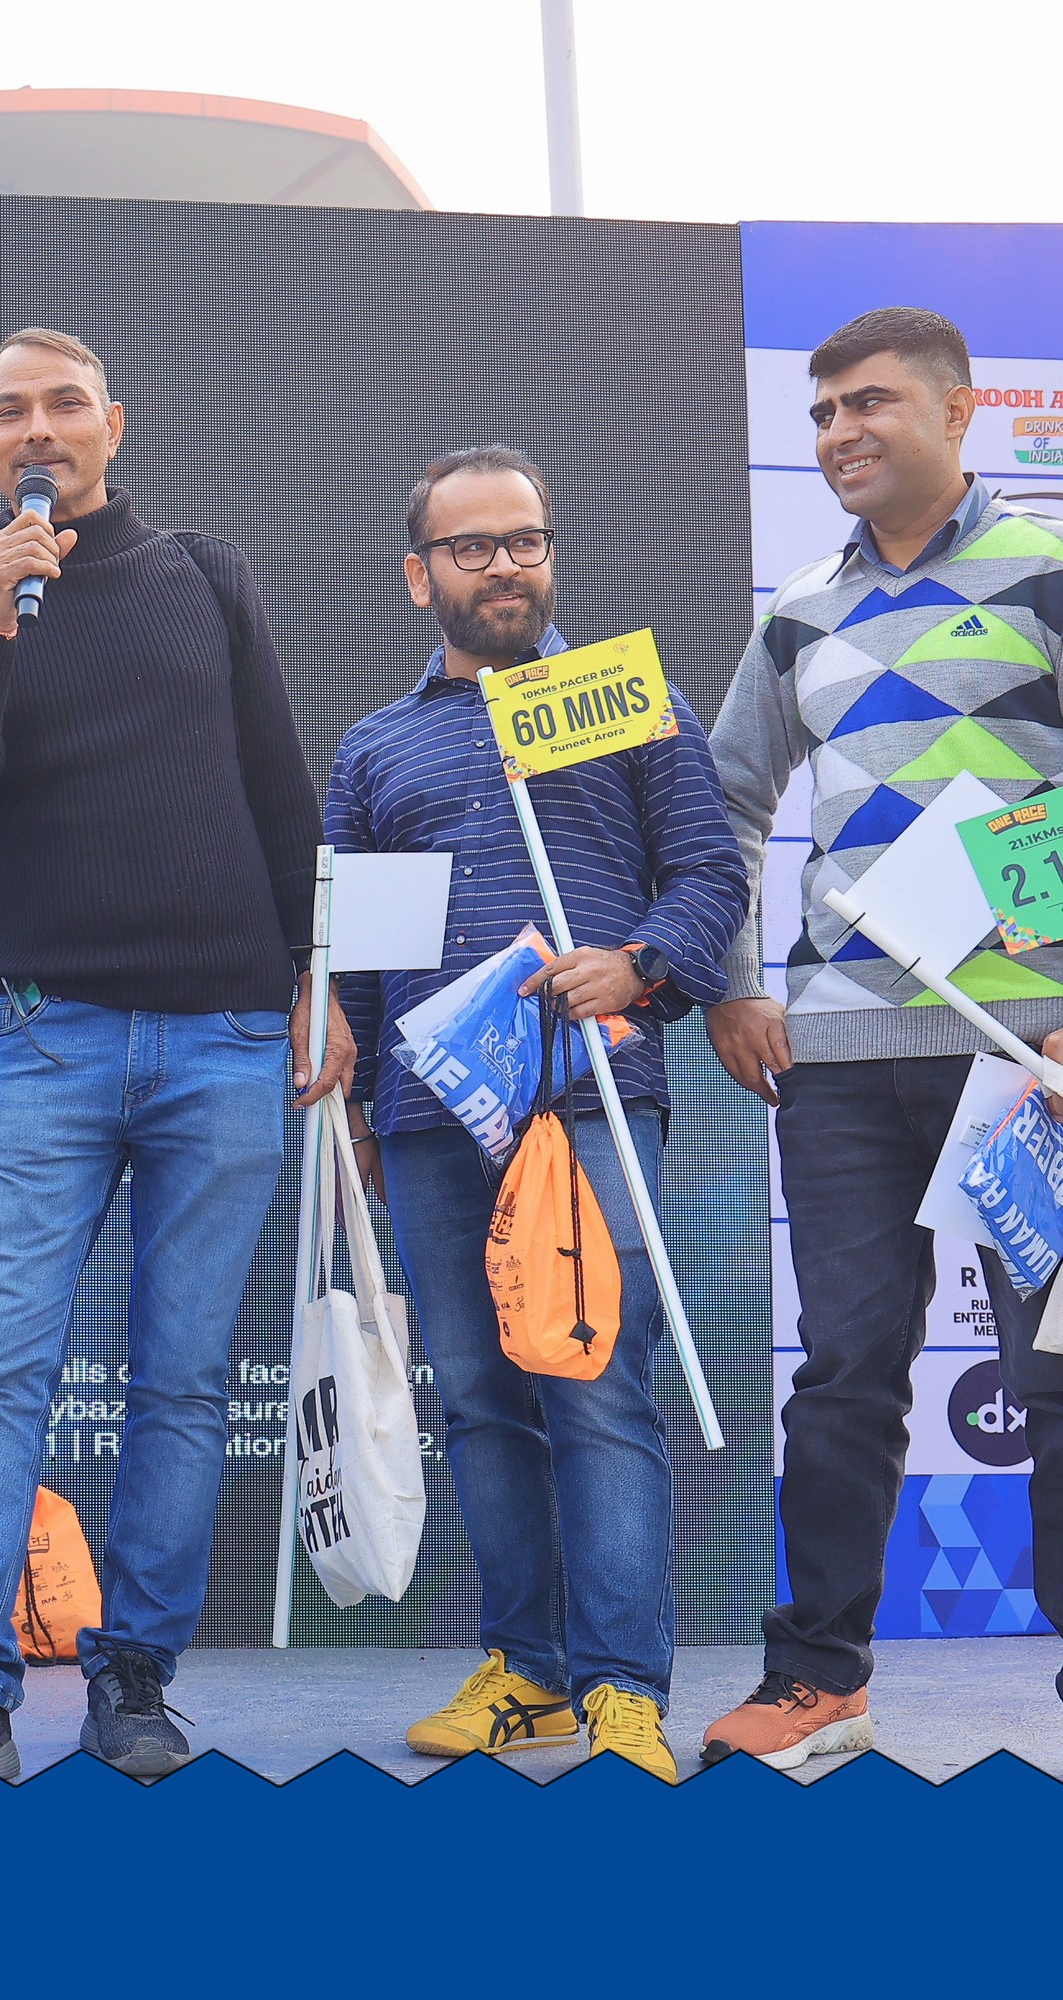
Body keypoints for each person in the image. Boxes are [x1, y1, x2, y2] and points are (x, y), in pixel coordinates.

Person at [0, 326, 344, 1780]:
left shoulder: (204, 577)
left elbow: (278, 788)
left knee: (185, 1379)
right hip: (49, 1038)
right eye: (10, 411)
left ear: (113, 425)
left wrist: (315, 977)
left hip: (225, 1035)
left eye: (65, 403)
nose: (40, 427)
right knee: (1, 1365)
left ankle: (135, 1674)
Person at [329, 445, 747, 1782]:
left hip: (590, 1098)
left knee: (597, 1389)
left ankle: (624, 1686)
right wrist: (361, 1103)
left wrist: (640, 964)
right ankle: (530, 1669)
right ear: (420, 576)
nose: (505, 564)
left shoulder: (631, 700)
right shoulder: (374, 745)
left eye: (526, 540)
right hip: (429, 1117)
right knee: (479, 1399)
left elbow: (708, 874)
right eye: (473, 545)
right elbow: (359, 958)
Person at [703, 306, 1063, 1766]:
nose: (839, 432)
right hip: (841, 1059)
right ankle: (818, 1681)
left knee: (1057, 1377)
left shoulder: (1045, 567)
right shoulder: (798, 607)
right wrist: (737, 981)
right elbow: (728, 798)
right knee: (844, 1371)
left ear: (960, 410)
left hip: (1026, 1057)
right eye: (821, 413)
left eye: (867, 403)